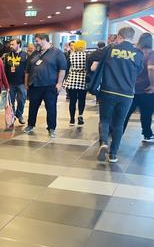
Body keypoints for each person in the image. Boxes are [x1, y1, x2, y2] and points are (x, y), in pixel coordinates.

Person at [93, 27, 144, 162]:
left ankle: (104, 142)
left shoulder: (110, 49)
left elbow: (96, 61)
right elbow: (138, 71)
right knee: (119, 123)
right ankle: (113, 154)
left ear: (119, 36)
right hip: (127, 94)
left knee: (105, 119)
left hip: (108, 90)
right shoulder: (138, 53)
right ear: (132, 37)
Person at [23, 33, 67, 137]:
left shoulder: (57, 53)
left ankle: (51, 128)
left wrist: (59, 83)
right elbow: (27, 70)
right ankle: (30, 125)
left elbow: (62, 69)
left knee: (51, 108)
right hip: (34, 85)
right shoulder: (35, 53)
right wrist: (26, 83)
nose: (35, 42)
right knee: (33, 107)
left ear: (44, 40)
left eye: (37, 40)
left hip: (50, 86)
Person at [123, 33, 154, 142]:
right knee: (146, 113)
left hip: (131, 88)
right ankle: (147, 134)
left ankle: (117, 132)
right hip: (146, 90)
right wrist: (152, 85)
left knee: (126, 113)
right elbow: (151, 69)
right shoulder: (151, 54)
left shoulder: (135, 53)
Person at [63, 40, 88, 126]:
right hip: (83, 79)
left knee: (72, 100)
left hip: (72, 79)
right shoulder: (86, 56)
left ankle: (72, 119)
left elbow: (66, 68)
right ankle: (80, 116)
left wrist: (64, 79)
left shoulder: (71, 56)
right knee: (82, 99)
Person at [3, 38, 28, 125]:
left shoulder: (25, 55)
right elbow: (5, 70)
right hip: (10, 83)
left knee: (22, 100)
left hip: (21, 83)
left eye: (13, 44)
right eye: (10, 44)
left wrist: (26, 83)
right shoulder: (7, 56)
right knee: (11, 101)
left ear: (19, 44)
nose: (11, 46)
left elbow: (27, 70)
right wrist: (5, 82)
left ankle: (19, 114)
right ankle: (12, 117)